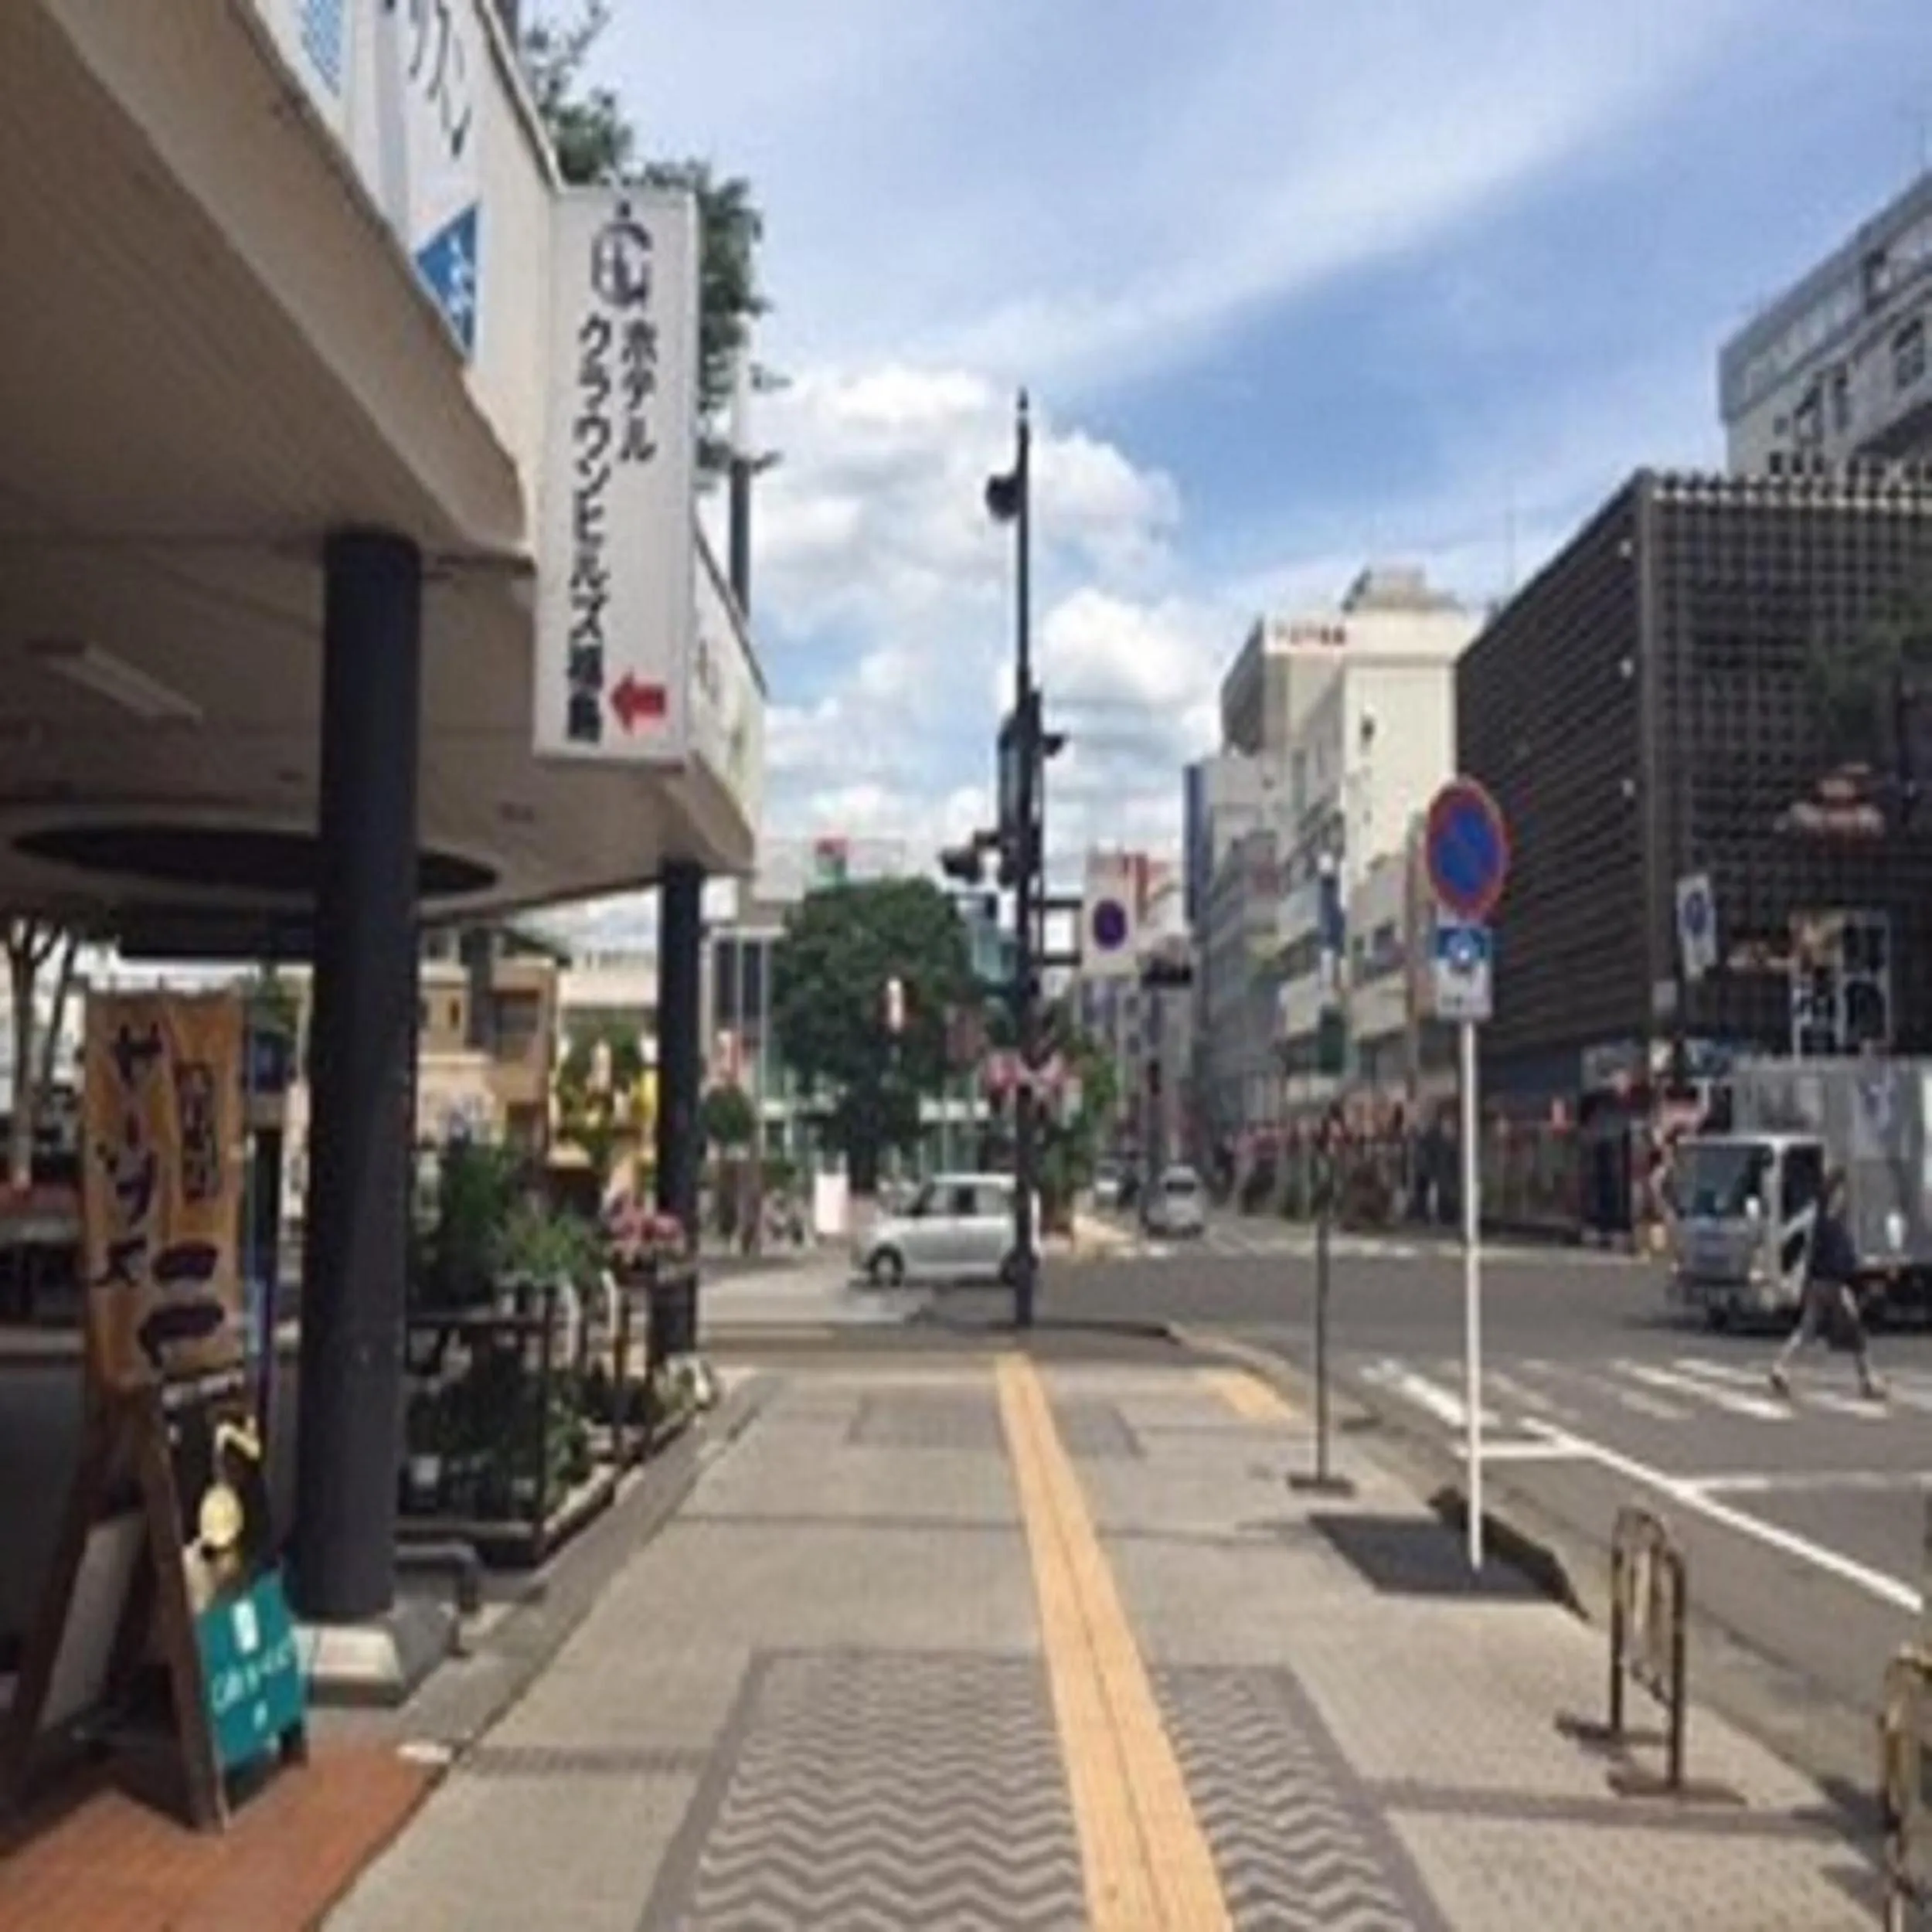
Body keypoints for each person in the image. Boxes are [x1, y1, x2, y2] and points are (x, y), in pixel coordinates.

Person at [1769, 1168, 1884, 1400]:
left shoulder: (1822, 1217)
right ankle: (1869, 1381)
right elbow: (1839, 1256)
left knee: (1806, 1330)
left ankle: (1780, 1366)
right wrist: (1851, 1278)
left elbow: (1814, 1251)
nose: (1845, 1197)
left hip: (1818, 1283)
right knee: (1856, 1333)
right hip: (1834, 1284)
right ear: (1835, 1191)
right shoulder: (1831, 1221)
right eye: (1842, 1191)